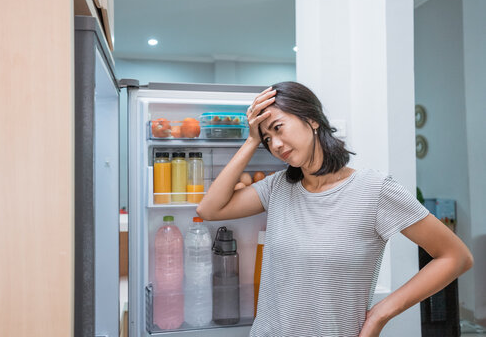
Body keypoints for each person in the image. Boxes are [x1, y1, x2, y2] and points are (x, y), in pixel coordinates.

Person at [196, 81, 474, 337]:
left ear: (312, 120)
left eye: (278, 128)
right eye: (267, 139)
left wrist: (380, 314)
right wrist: (251, 140)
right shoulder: (277, 187)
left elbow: (455, 257)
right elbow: (210, 210)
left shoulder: (374, 189)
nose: (276, 144)